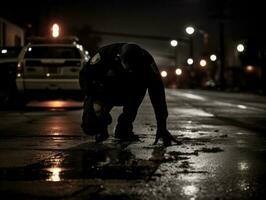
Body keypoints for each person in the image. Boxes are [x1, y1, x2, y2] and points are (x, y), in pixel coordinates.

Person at [79, 43, 181, 146]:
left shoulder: (147, 62)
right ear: (119, 58)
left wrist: (162, 126)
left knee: (141, 87)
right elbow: (85, 76)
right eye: (129, 67)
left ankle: (124, 126)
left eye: (135, 67)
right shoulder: (105, 55)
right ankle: (101, 125)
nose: (132, 70)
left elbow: (157, 93)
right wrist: (98, 109)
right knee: (90, 127)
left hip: (130, 92)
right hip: (105, 91)